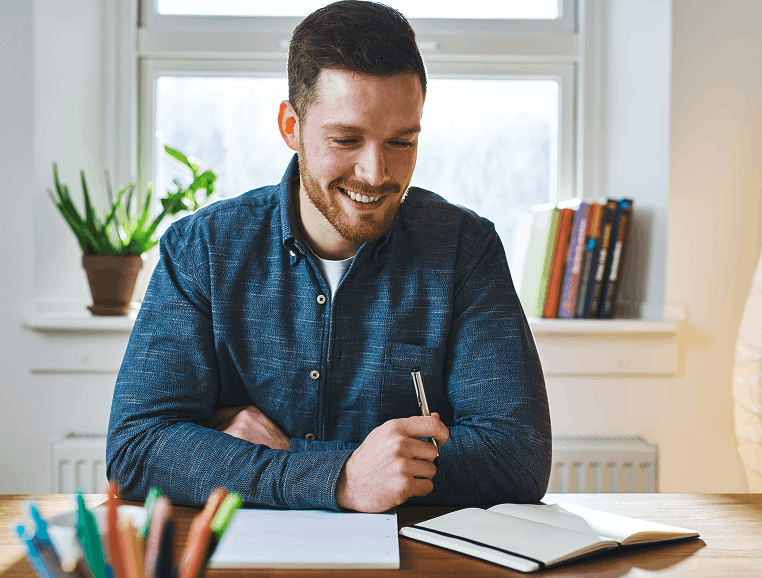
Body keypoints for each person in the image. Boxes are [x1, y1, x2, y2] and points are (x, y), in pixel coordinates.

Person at [107, 0, 551, 513]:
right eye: (346, 139)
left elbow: (516, 457)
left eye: (401, 141)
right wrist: (342, 477)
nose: (375, 173)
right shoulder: (201, 249)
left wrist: (291, 461)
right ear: (290, 126)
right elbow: (136, 449)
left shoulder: (464, 249)